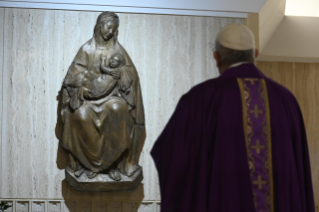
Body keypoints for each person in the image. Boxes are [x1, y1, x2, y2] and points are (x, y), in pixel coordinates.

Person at [151, 24, 315, 212]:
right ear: (255, 53)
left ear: (216, 57)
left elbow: (172, 157)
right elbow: (300, 171)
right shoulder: (285, 100)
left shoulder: (200, 99)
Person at [61, 12, 145, 181]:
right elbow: (71, 78)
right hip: (88, 99)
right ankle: (89, 165)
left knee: (118, 109)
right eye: (108, 27)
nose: (110, 32)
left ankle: (112, 165)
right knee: (81, 115)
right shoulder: (86, 50)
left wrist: (121, 72)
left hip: (112, 97)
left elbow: (131, 75)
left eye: (114, 29)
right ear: (99, 26)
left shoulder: (118, 50)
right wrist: (86, 83)